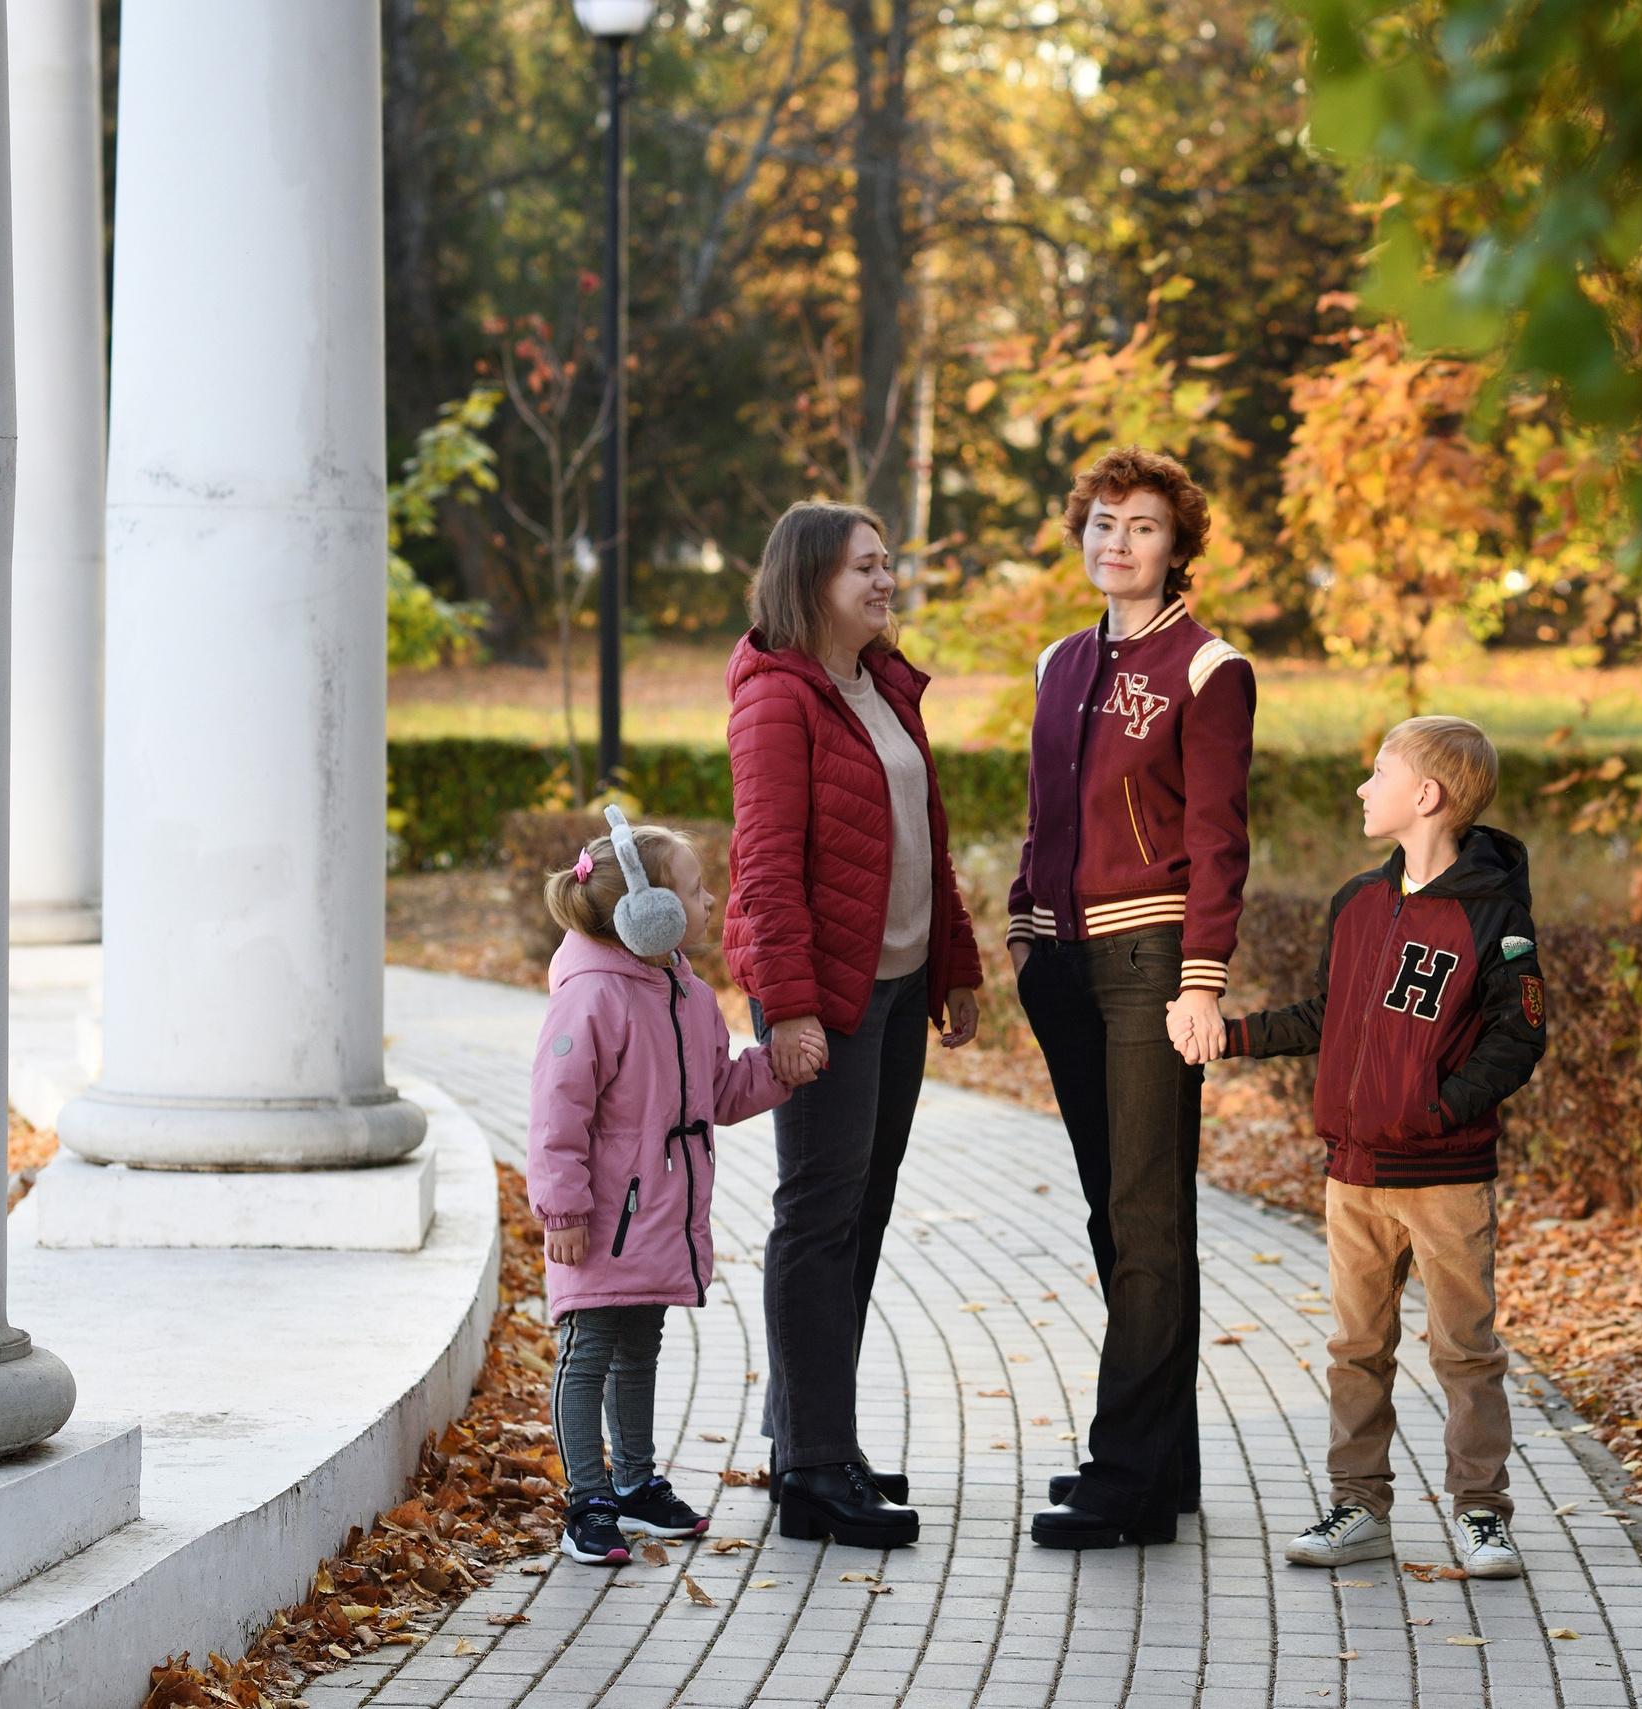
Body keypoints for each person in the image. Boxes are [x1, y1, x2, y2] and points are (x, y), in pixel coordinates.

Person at [1176, 715, 1546, 1579]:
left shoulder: (1496, 912)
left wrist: (1438, 1109)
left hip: (1445, 1174)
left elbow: (1518, 1036)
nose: (1361, 786)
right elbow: (1324, 1015)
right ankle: (1357, 1505)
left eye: (1378, 771)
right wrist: (1228, 1037)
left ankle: (1483, 1514)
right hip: (1353, 1173)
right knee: (1355, 1347)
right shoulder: (1357, 902)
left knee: (1464, 1349)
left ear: (1427, 796)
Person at [725, 501, 984, 1549]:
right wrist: (787, 1008)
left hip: (897, 983)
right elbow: (766, 868)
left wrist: (953, 965)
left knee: (860, 1214)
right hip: (825, 994)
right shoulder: (776, 699)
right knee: (816, 1217)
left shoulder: (884, 683)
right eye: (864, 569)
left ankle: (808, 1435)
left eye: (888, 563)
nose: (886, 582)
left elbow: (928, 837)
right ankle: (815, 1467)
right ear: (810, 581)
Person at [1010, 446, 1256, 1548]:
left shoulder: (1209, 668)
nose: (1118, 540)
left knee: (1151, 1214)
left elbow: (1216, 841)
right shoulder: (1060, 662)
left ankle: (1124, 1480)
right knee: (1121, 1214)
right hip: (1060, 963)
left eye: (1143, 525)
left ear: (1177, 544)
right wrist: (1020, 926)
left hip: (1152, 964)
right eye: (1103, 521)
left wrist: (1202, 979)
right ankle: (1163, 1469)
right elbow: (1043, 817)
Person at [529, 812, 795, 1567]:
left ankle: (638, 1484)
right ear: (648, 911)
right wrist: (564, 1209)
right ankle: (588, 1499)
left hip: (655, 1215)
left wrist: (777, 1066)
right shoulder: (591, 998)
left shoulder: (686, 992)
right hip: (596, 1219)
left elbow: (714, 1090)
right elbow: (556, 1111)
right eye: (695, 889)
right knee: (588, 1352)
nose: (709, 901)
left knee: (640, 1346)